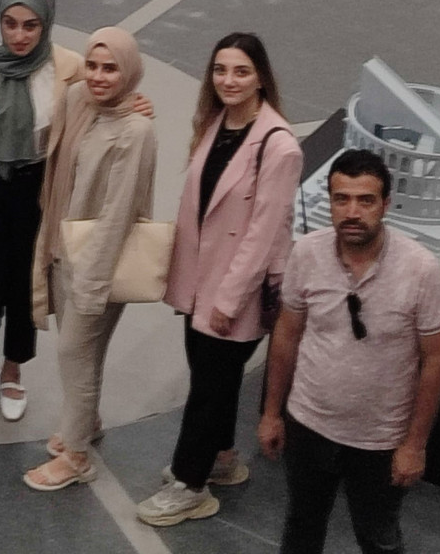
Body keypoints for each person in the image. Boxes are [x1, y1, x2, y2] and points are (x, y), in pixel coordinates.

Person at [0, 0, 148, 440]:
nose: (19, 35)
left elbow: (106, 97)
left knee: (27, 284)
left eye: (30, 25)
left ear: (46, 23)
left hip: (40, 191)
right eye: (10, 23)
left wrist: (136, 103)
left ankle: (13, 370)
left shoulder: (69, 67)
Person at [139, 34, 300, 527]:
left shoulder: (279, 146)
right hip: (199, 280)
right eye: (221, 70)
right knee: (216, 378)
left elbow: (264, 235)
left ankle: (190, 485)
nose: (229, 81)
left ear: (261, 78)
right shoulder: (216, 123)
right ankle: (223, 458)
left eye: (241, 71)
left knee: (208, 389)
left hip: (234, 290)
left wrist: (228, 301)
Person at [259, 149, 440, 554]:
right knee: (302, 524)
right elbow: (287, 334)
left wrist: (414, 445)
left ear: (386, 204)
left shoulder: (421, 270)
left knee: (378, 537)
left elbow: (436, 360)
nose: (352, 212)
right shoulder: (307, 253)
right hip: (308, 425)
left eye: (365, 201)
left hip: (379, 441)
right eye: (341, 199)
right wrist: (272, 413)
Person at [23, 28, 155, 491]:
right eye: (93, 65)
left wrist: (90, 283)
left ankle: (76, 456)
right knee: (86, 352)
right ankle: (86, 421)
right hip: (65, 248)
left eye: (111, 68)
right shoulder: (79, 99)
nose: (98, 76)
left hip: (98, 264)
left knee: (73, 353)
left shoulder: (136, 131)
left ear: (129, 72)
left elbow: (118, 214)